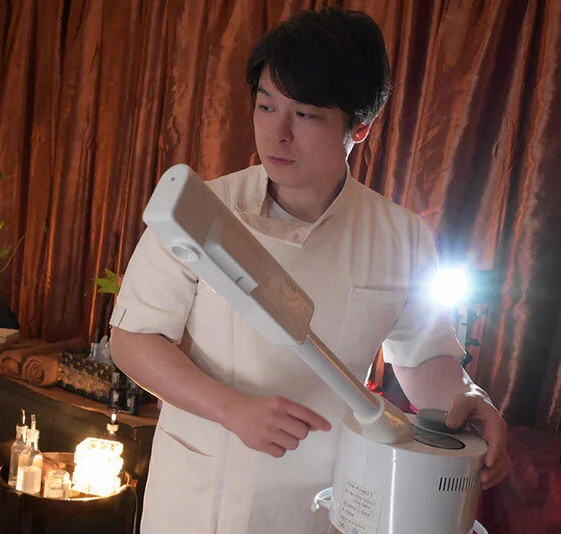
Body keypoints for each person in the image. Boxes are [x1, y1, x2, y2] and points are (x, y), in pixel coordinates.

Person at [109, 7, 510, 534]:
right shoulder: (199, 210)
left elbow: (425, 358)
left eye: (305, 115)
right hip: (201, 492)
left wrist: (471, 402)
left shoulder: (400, 236)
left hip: (324, 497)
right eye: (265, 106)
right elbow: (133, 338)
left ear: (359, 127)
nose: (277, 134)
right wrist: (231, 409)